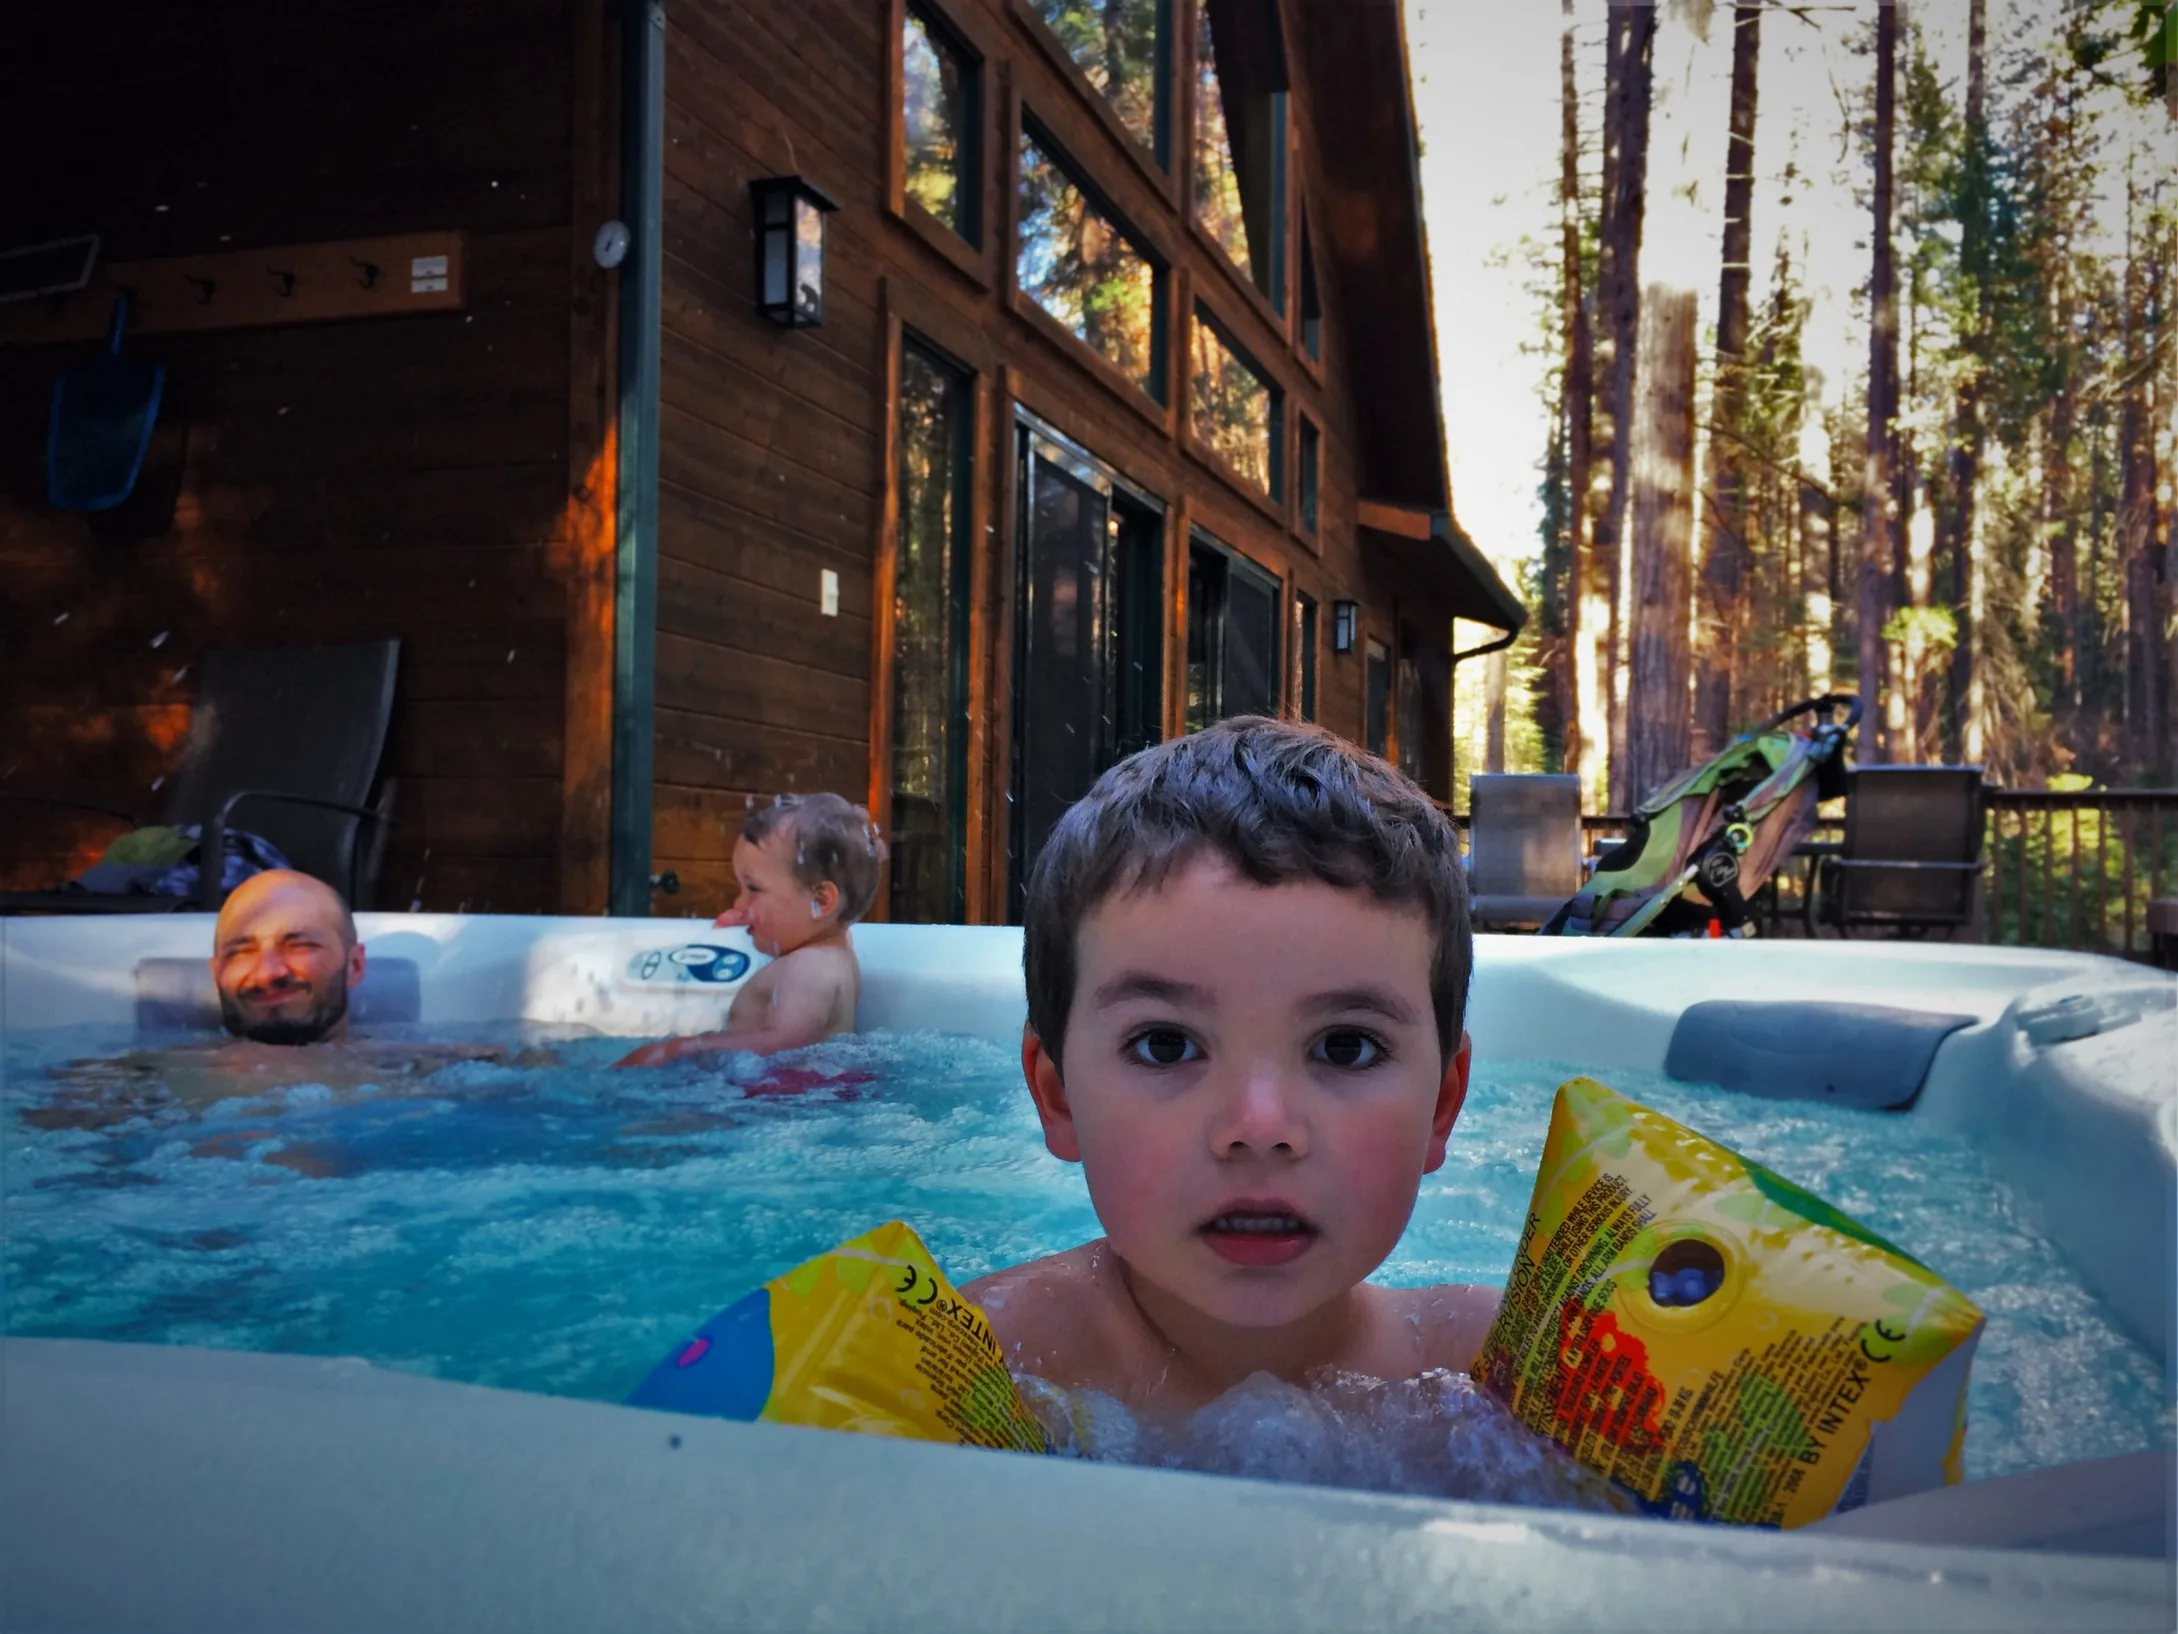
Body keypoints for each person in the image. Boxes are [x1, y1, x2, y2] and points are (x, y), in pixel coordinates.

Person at [962, 718, 1500, 1414]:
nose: (1259, 1126)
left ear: (1441, 1105)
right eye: (1165, 1045)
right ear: (1057, 1097)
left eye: (1345, 1046)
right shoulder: (981, 1361)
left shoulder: (1496, 1375)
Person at [45, 869, 521, 1121]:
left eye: (300, 945)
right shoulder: (131, 1076)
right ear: (217, 973)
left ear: (355, 965)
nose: (268, 972)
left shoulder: (451, 1064)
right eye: (242, 950)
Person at [614, 793, 885, 1067]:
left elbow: (784, 1044)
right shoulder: (835, 946)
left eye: (753, 889)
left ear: (821, 901)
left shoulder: (809, 968)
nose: (739, 903)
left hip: (777, 1097)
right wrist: (752, 916)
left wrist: (683, 1048)